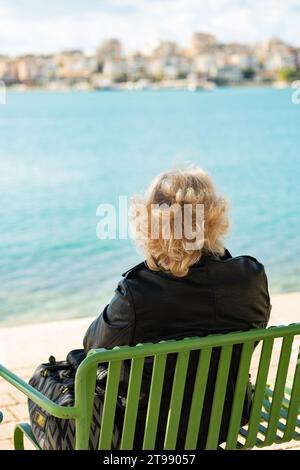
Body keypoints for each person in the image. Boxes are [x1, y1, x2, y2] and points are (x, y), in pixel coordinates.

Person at [83, 167, 271, 449]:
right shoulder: (251, 277)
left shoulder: (137, 293)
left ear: (152, 222)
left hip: (152, 433)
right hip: (225, 417)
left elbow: (92, 347)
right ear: (213, 218)